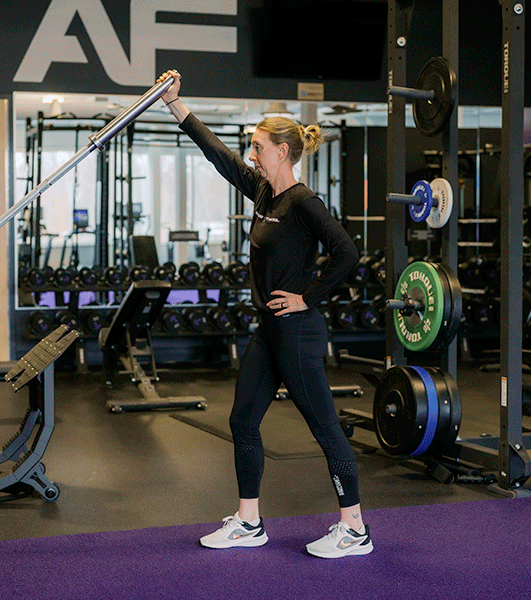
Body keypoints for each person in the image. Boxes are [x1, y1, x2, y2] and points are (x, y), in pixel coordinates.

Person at [156, 70, 372, 559]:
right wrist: (175, 104)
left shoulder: (304, 202)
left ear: (282, 151)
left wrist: (308, 297)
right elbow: (219, 155)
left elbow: (347, 252)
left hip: (298, 332)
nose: (252, 153)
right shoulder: (262, 192)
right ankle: (249, 521)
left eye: (258, 146)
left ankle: (354, 528)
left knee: (326, 429)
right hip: (269, 330)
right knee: (242, 419)